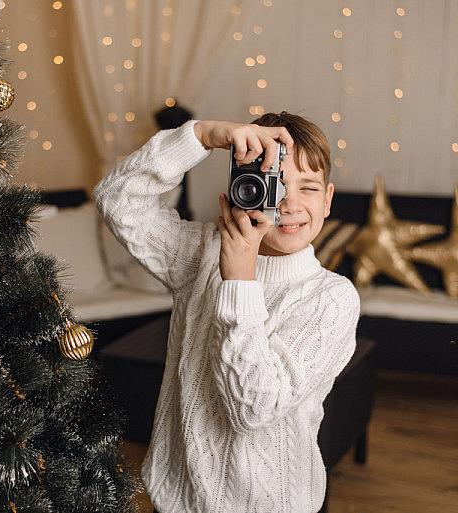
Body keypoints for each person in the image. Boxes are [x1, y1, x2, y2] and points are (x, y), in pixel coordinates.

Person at [93, 112, 360, 513]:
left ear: (327, 200)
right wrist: (201, 135)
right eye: (277, 184)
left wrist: (239, 278)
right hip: (177, 497)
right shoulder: (201, 254)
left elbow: (252, 408)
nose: (290, 204)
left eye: (308, 188)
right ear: (244, 189)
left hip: (272, 504)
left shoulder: (332, 298)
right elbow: (116, 199)